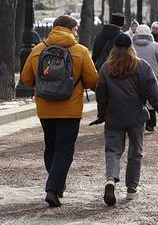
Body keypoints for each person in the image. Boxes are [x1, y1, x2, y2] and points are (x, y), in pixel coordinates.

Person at [20, 15, 99, 207]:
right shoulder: (80, 51)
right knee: (64, 149)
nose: (77, 32)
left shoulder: (38, 50)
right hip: (70, 109)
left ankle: (57, 183)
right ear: (70, 29)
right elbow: (92, 81)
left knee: (51, 147)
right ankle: (53, 189)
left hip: (45, 108)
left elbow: (26, 79)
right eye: (76, 29)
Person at [90, 33, 158, 205]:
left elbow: (101, 94)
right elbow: (152, 93)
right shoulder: (142, 66)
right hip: (136, 116)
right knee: (136, 152)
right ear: (131, 48)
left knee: (113, 151)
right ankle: (132, 189)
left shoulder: (106, 68)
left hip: (114, 116)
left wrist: (101, 114)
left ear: (114, 49)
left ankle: (111, 179)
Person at [133, 24, 158, 132]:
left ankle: (138, 123)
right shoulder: (154, 45)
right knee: (152, 98)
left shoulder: (131, 45)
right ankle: (151, 124)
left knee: (137, 99)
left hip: (135, 76)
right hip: (152, 76)